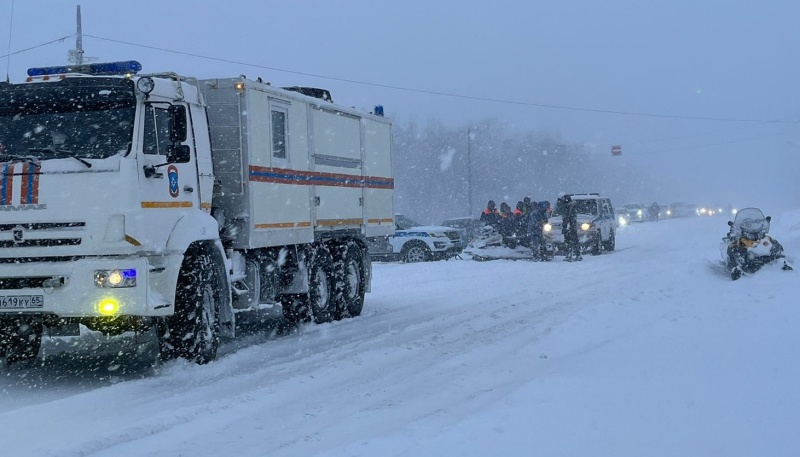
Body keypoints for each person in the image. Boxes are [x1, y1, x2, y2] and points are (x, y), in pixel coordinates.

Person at [560, 195, 582, 261]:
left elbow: (568, 218)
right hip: (570, 227)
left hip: (570, 227)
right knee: (572, 241)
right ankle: (575, 254)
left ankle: (572, 254)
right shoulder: (569, 207)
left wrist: (567, 227)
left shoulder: (569, 208)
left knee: (570, 241)